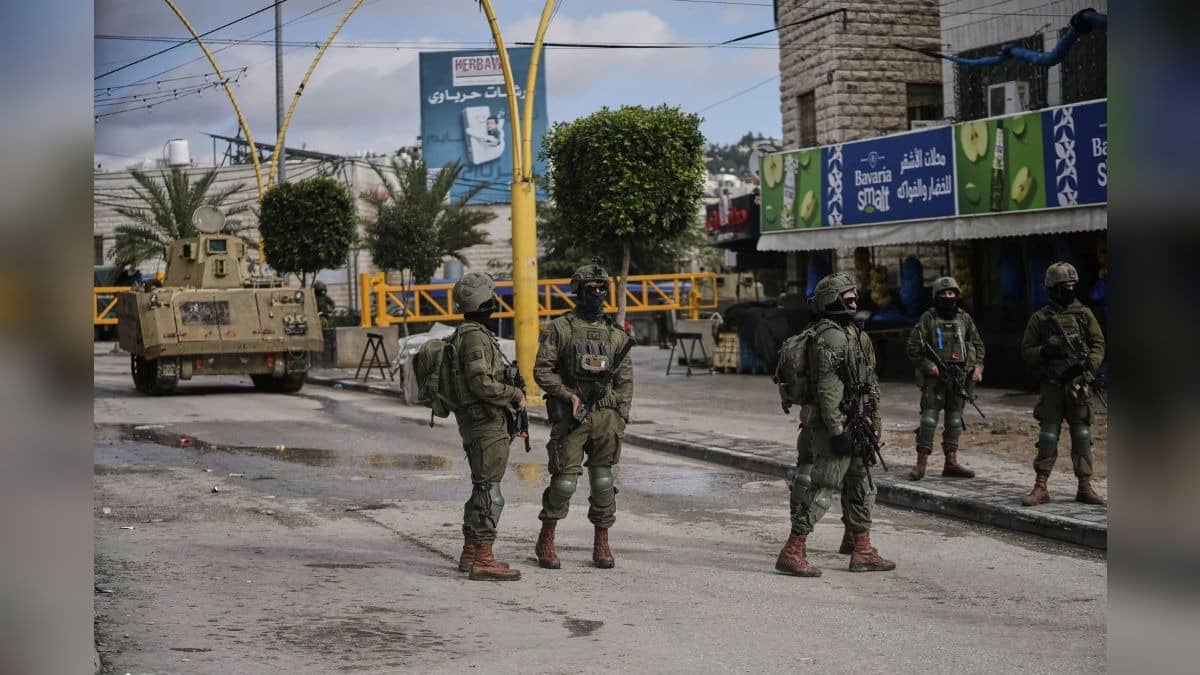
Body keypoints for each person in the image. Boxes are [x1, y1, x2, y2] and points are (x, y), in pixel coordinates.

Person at [775, 272, 895, 577]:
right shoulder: (830, 336)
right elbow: (828, 390)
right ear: (832, 299)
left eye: (855, 295)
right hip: (835, 425)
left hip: (857, 422)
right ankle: (792, 550)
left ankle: (863, 550)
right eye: (848, 295)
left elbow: (870, 382)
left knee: (863, 484)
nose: (854, 299)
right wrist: (838, 431)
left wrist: (874, 419)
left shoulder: (855, 334)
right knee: (824, 486)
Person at [533, 262, 633, 570]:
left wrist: (620, 413)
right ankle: (546, 538)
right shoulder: (560, 329)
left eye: (602, 288)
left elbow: (625, 380)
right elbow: (542, 370)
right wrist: (568, 395)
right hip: (573, 418)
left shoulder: (616, 335)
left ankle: (601, 541)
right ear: (578, 292)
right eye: (590, 289)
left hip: (606, 419)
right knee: (564, 482)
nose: (597, 294)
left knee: (603, 482)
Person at [450, 272, 526, 581]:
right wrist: (514, 394)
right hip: (485, 422)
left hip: (481, 421)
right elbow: (480, 382)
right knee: (490, 492)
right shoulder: (475, 337)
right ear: (484, 300)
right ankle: (483, 557)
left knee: (482, 486)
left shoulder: (471, 332)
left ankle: (471, 553)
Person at [1019, 262, 1106, 506]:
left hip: (1078, 385)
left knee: (1081, 434)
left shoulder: (1084, 314)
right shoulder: (1040, 318)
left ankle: (1085, 485)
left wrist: (1089, 364)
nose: (1069, 289)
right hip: (1053, 385)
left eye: (1072, 285)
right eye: (1064, 286)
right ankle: (1041, 486)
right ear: (1052, 288)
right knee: (1048, 434)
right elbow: (1026, 351)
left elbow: (1098, 343)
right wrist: (1046, 351)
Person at [904, 276, 985, 480]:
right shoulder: (928, 319)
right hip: (935, 379)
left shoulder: (964, 319)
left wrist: (978, 367)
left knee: (955, 419)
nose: (948, 297)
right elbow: (913, 347)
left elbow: (977, 344)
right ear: (937, 297)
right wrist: (927, 365)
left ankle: (951, 462)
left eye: (951, 294)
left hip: (959, 377)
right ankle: (921, 464)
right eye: (944, 294)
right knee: (929, 419)